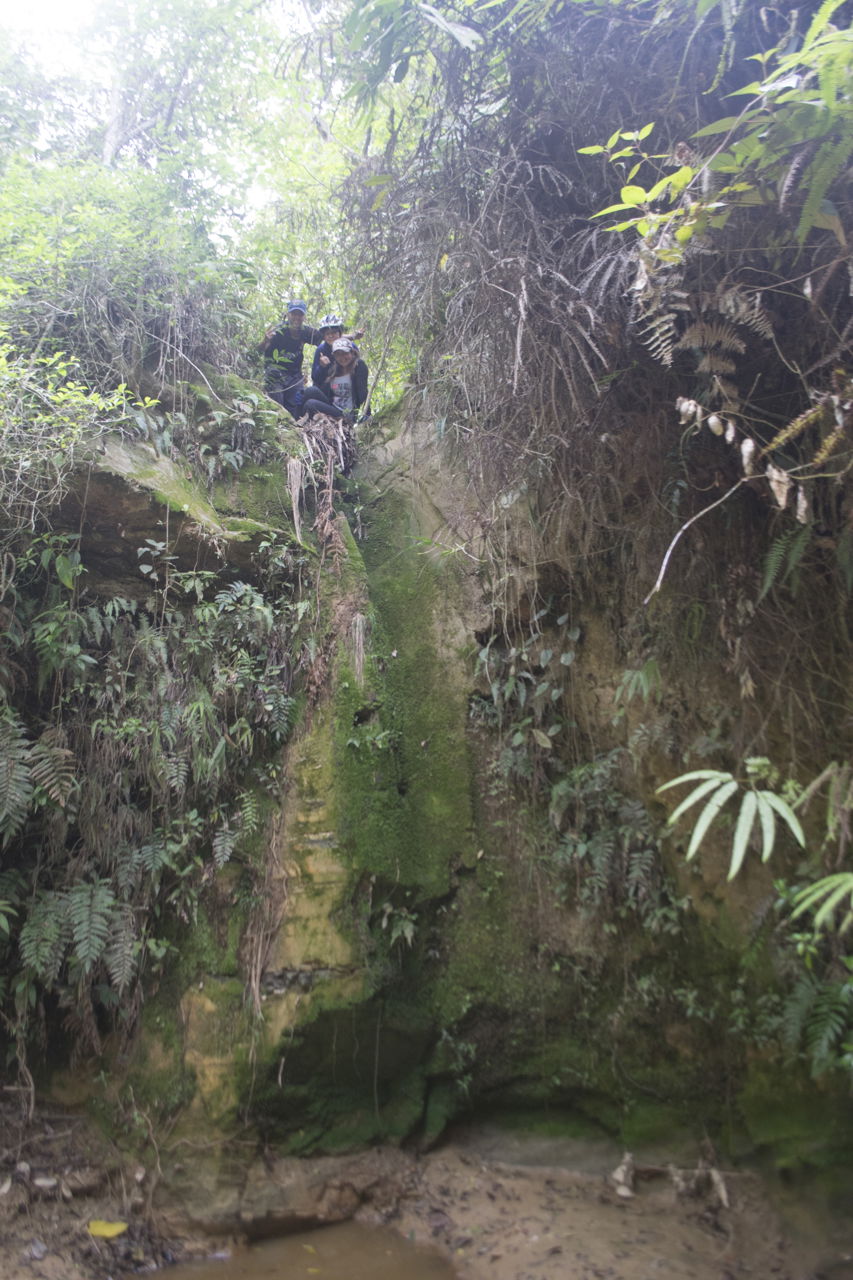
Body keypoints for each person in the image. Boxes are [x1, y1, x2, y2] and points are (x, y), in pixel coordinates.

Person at [259, 300, 323, 418]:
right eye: (294, 314)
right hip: (275, 374)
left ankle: (292, 432)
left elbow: (328, 336)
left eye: (300, 314)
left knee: (294, 409)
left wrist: (352, 336)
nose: (297, 317)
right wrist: (265, 341)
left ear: (304, 316)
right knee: (277, 406)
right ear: (288, 314)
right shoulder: (278, 331)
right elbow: (259, 351)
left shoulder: (306, 331)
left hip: (294, 376)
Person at [302, 338, 369, 422]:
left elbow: (363, 391)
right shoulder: (334, 369)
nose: (342, 357)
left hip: (346, 414)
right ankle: (295, 421)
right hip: (333, 407)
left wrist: (367, 415)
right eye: (338, 354)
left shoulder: (359, 366)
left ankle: (301, 426)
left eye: (345, 353)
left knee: (310, 404)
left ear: (352, 352)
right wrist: (323, 368)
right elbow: (319, 384)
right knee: (310, 391)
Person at [311, 313, 364, 384]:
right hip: (328, 388)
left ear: (340, 333)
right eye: (327, 334)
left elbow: (359, 373)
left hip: (348, 387)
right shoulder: (321, 350)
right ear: (324, 336)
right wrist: (322, 367)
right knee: (311, 391)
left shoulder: (351, 347)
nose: (330, 336)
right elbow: (315, 378)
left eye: (334, 333)